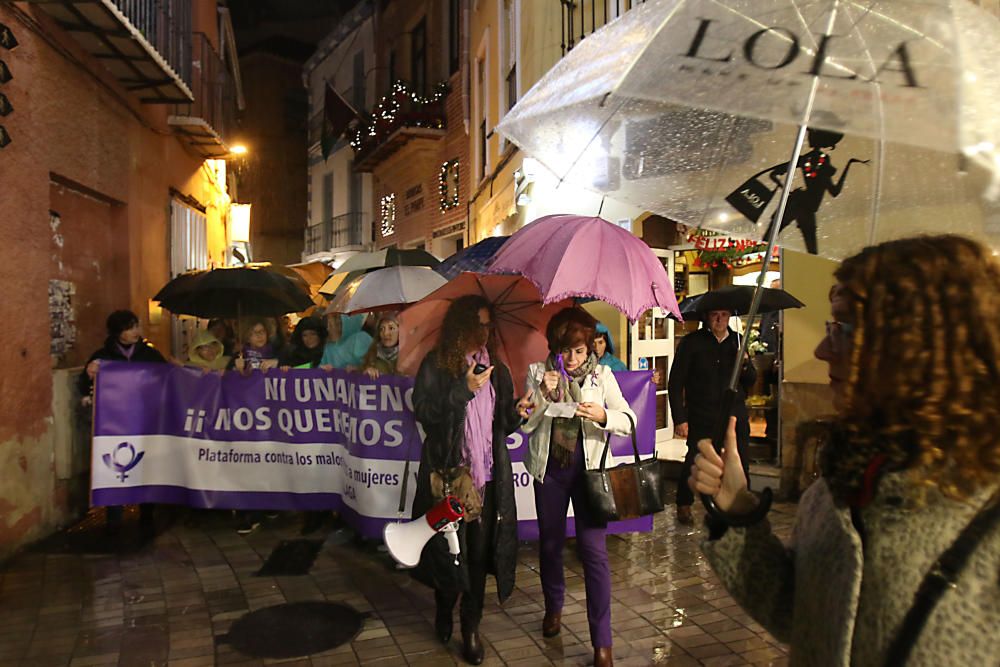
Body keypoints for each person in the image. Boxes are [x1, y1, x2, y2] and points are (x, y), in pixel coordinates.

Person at [690, 235, 1000, 665]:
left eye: (845, 328)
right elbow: (797, 615)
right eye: (830, 328)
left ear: (920, 345)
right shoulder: (835, 490)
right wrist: (739, 511)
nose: (821, 349)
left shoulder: (986, 512)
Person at [517, 307, 636, 667]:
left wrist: (602, 416)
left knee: (594, 555)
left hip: (590, 476)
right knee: (551, 545)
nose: (572, 359)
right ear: (555, 348)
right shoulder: (539, 373)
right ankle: (553, 607)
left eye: (580, 351)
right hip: (550, 473)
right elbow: (525, 426)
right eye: (566, 350)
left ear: (590, 350)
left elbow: (627, 420)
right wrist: (540, 393)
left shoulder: (602, 377)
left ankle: (603, 642)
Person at [411, 295, 522, 665]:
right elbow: (425, 413)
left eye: (490, 325)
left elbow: (502, 425)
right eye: (479, 324)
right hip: (450, 478)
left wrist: (519, 413)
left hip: (486, 481)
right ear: (461, 326)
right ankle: (444, 605)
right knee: (448, 553)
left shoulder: (498, 370)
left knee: (477, 555)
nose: (486, 332)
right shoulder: (437, 366)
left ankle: (470, 627)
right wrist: (462, 390)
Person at [78, 310, 167, 535]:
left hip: (145, 421)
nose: (136, 331)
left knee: (147, 465)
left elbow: (167, 378)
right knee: (113, 466)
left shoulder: (150, 355)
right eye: (130, 327)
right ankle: (114, 519)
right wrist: (90, 375)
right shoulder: (102, 356)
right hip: (113, 425)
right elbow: (83, 384)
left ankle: (147, 513)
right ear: (117, 331)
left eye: (136, 326)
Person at [668, 309, 755, 526]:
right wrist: (680, 418)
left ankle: (741, 504)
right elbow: (675, 383)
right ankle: (684, 503)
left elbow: (751, 380)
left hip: (734, 414)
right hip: (702, 412)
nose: (719, 319)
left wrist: (743, 363)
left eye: (724, 315)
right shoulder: (692, 343)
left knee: (741, 459)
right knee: (695, 458)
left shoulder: (737, 341)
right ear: (706, 317)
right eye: (714, 314)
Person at [361, 312, 400, 379]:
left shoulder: (410, 357)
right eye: (382, 329)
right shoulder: (373, 353)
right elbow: (362, 370)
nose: (385, 333)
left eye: (391, 328)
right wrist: (365, 372)